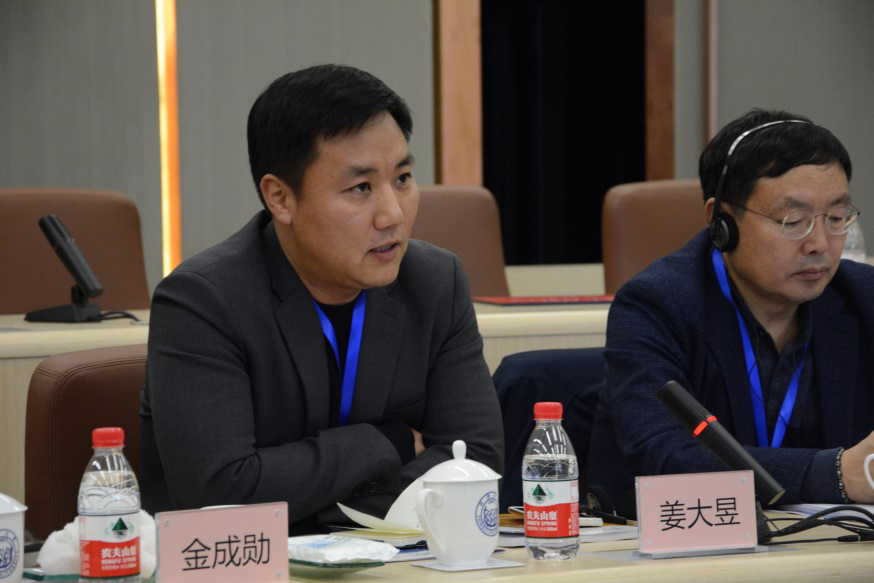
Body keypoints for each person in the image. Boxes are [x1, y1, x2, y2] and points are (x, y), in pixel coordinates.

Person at [139, 64, 503, 533]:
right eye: (361, 188)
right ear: (280, 198)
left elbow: (475, 463)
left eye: (403, 178)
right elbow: (222, 493)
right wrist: (386, 443)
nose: (392, 214)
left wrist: (322, 509)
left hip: (399, 562)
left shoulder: (434, 282)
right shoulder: (204, 301)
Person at [587, 109, 874, 519]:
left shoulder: (863, 298)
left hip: (834, 543)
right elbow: (664, 456)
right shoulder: (656, 305)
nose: (820, 244)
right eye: (793, 221)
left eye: (835, 218)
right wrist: (836, 473)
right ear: (721, 220)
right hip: (683, 542)